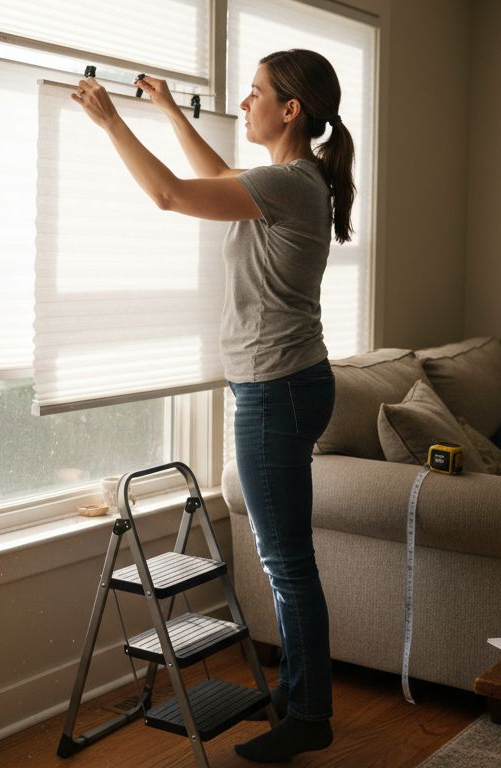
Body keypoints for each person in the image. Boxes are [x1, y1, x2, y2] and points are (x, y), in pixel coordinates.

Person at [72, 49, 355, 763]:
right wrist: (167, 108)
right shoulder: (295, 180)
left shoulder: (290, 183)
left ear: (291, 110)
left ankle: (310, 713)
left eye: (256, 93)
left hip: (274, 390)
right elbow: (218, 177)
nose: (246, 102)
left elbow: (170, 195)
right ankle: (299, 691)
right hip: (294, 383)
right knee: (288, 556)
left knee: (286, 562)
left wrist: (111, 122)